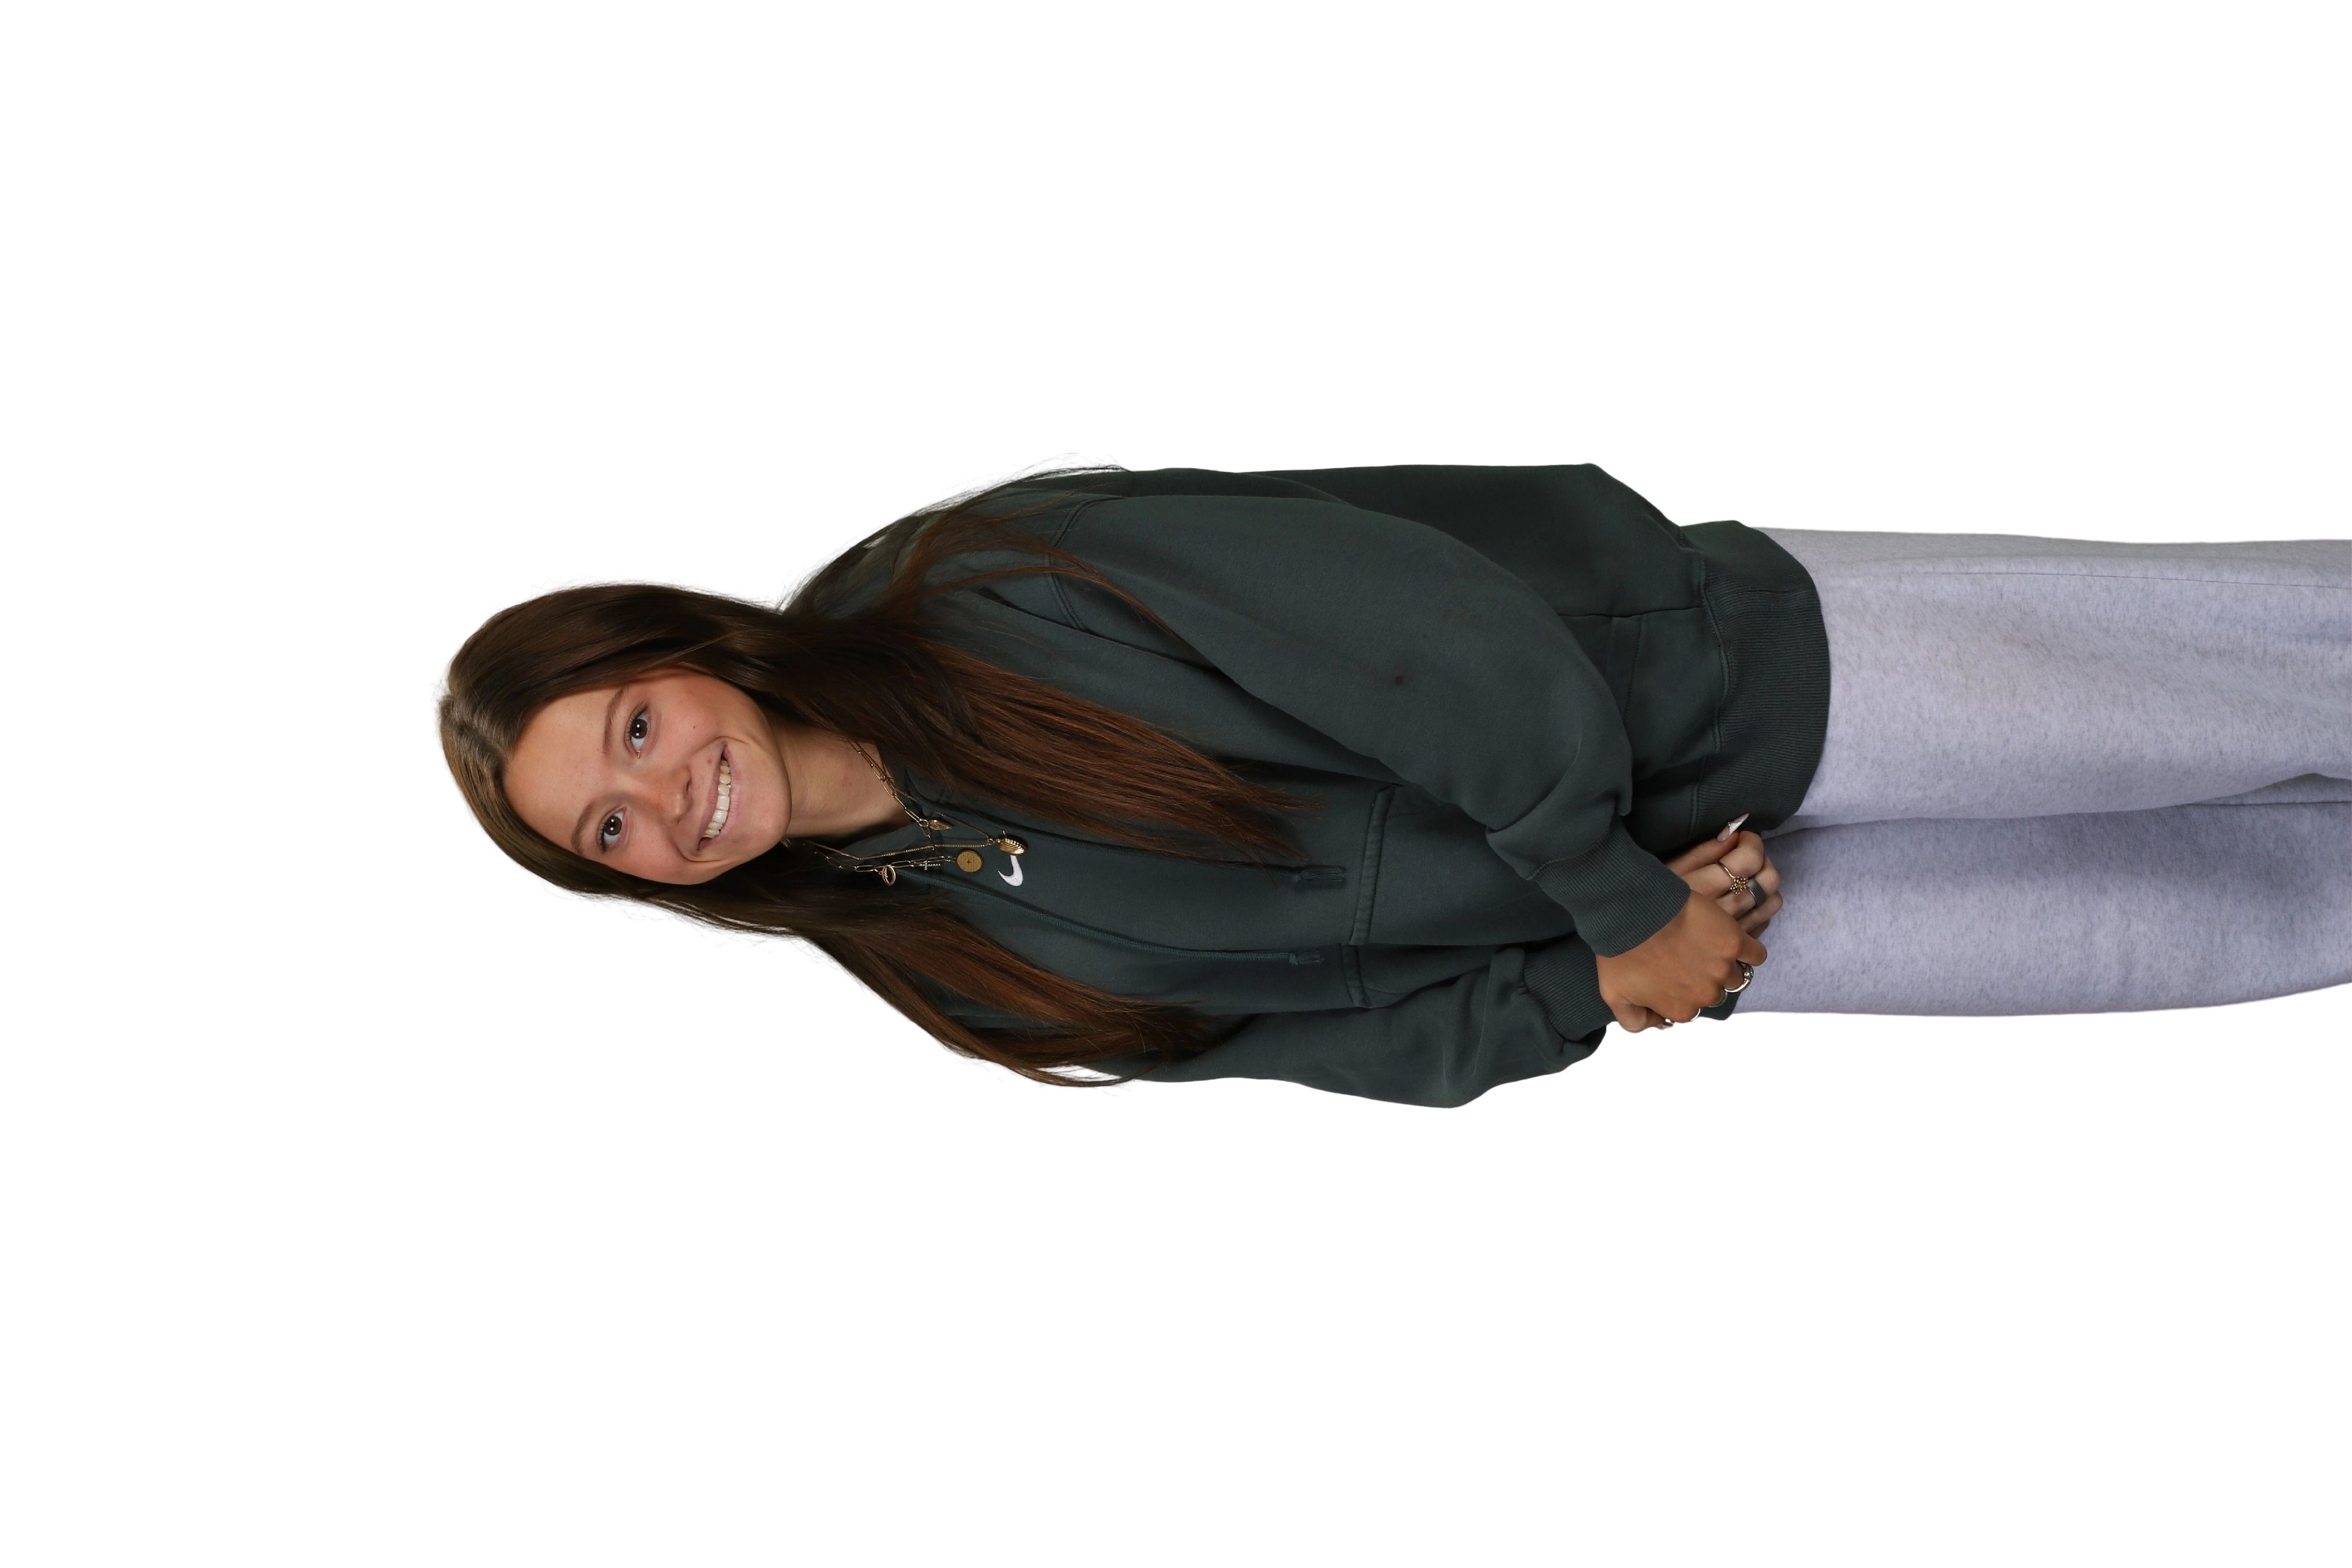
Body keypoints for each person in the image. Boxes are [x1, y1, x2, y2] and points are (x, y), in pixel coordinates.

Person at [426, 449, 2352, 1109]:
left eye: (635, 730)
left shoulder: (988, 576)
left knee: (2276, 677)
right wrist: (1592, 983)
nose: (666, 798)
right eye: (611, 830)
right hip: (1727, 929)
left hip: (1713, 691)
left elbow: (1409, 636)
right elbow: (1342, 1045)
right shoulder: (968, 985)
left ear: (681, 648)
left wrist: (1613, 897)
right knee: (2225, 926)